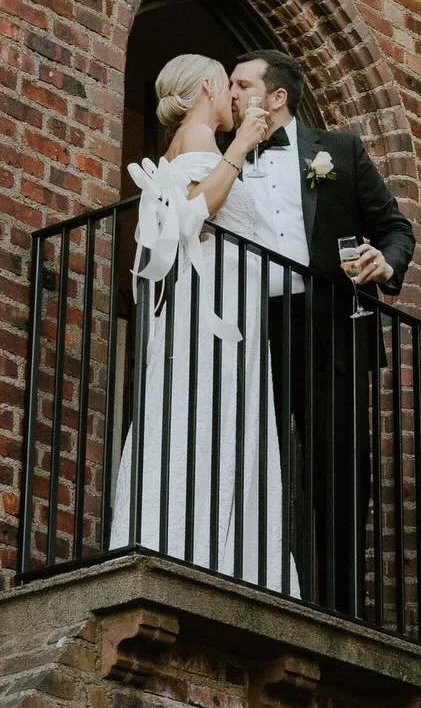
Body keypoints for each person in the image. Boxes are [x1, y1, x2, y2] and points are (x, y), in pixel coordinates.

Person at [230, 50, 415, 615]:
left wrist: (384, 262)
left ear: (276, 97)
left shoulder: (339, 150)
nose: (230, 93)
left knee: (337, 465)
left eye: (241, 84)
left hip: (329, 324)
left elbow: (395, 228)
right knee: (248, 454)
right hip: (248, 325)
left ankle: (340, 605)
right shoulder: (222, 155)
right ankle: (249, 586)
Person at [108, 55, 297, 591]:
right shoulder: (199, 144)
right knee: (212, 409)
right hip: (216, 313)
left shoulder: (184, 145)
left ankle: (210, 546)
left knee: (204, 410)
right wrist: (240, 149)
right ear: (210, 86)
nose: (234, 95)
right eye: (227, 83)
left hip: (223, 305)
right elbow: (196, 207)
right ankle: (202, 549)